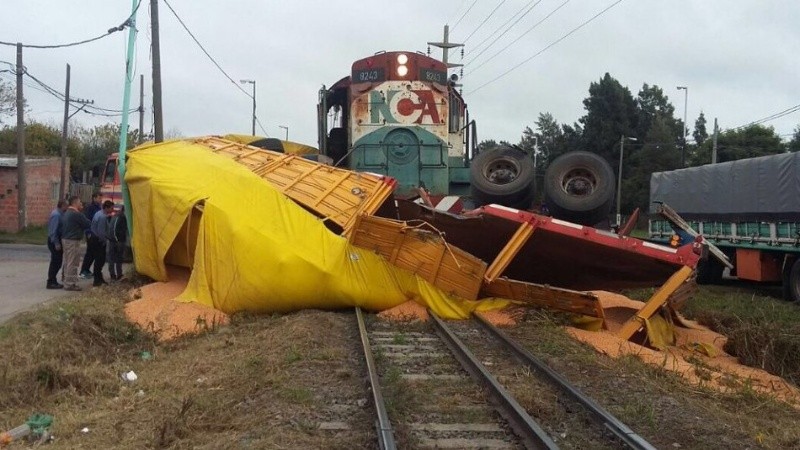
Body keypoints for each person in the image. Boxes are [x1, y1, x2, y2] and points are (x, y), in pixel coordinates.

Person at [61, 196, 92, 291]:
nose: (81, 204)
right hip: (73, 240)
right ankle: (70, 284)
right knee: (73, 262)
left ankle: (66, 279)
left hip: (66, 239)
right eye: (79, 202)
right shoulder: (76, 214)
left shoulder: (67, 213)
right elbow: (88, 223)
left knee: (67, 261)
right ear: (75, 203)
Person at [90, 200, 114, 287]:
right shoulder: (103, 217)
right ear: (106, 208)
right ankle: (97, 280)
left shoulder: (98, 213)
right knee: (100, 260)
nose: (112, 210)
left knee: (99, 260)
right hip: (98, 241)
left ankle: (99, 278)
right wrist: (104, 241)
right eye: (111, 208)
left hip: (94, 239)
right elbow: (101, 232)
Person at [46, 199, 68, 289]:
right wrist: (56, 243)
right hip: (54, 240)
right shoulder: (56, 215)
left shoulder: (61, 214)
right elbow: (53, 231)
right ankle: (51, 281)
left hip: (58, 239)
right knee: (56, 262)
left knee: (57, 261)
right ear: (62, 205)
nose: (67, 207)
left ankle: (53, 280)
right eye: (66, 206)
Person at [79, 192, 102, 279]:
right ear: (94, 198)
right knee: (89, 253)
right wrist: (88, 232)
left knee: (93, 253)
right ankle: (83, 270)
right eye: (99, 198)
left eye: (101, 198)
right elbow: (87, 220)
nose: (100, 200)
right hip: (91, 233)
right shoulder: (91, 208)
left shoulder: (99, 207)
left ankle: (87, 269)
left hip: (96, 233)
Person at [105, 205, 129, 281]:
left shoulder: (116, 215)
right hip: (117, 241)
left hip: (113, 240)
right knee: (118, 258)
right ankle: (117, 275)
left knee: (113, 258)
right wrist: (117, 240)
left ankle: (115, 275)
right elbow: (114, 229)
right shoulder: (121, 217)